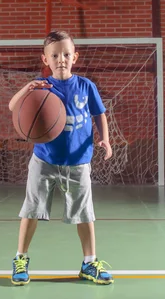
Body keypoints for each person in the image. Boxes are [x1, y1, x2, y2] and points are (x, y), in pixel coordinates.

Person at [8, 30, 113, 285]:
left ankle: (89, 264)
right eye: (55, 55)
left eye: (66, 54)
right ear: (46, 60)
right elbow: (13, 106)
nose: (61, 59)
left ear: (75, 56)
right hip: (44, 160)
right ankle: (20, 259)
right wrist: (27, 88)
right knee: (31, 210)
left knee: (85, 214)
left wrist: (105, 139)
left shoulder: (86, 85)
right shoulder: (41, 86)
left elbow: (99, 114)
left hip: (78, 162)